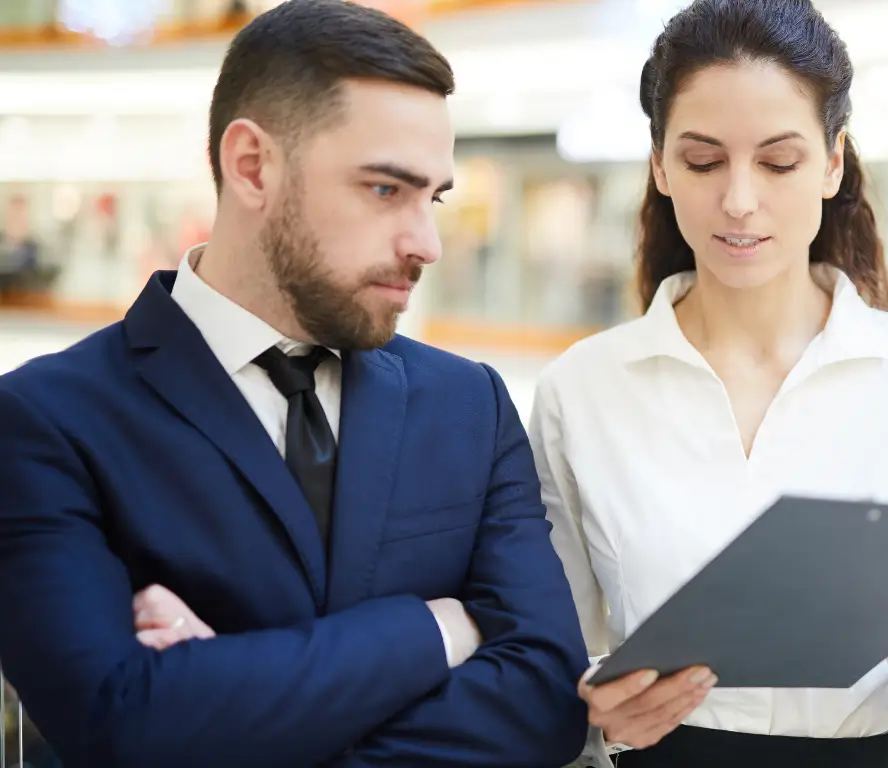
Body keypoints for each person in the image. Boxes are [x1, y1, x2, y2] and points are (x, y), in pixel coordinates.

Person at [0, 2, 588, 766]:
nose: (428, 243)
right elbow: (121, 723)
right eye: (385, 190)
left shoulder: (469, 405)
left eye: (433, 198)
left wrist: (220, 708)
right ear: (252, 167)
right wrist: (439, 628)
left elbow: (544, 704)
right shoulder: (47, 420)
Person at [528, 1, 888, 766]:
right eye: (703, 161)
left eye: (778, 162)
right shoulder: (580, 391)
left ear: (832, 162)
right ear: (659, 164)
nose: (739, 200)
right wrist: (597, 718)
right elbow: (556, 678)